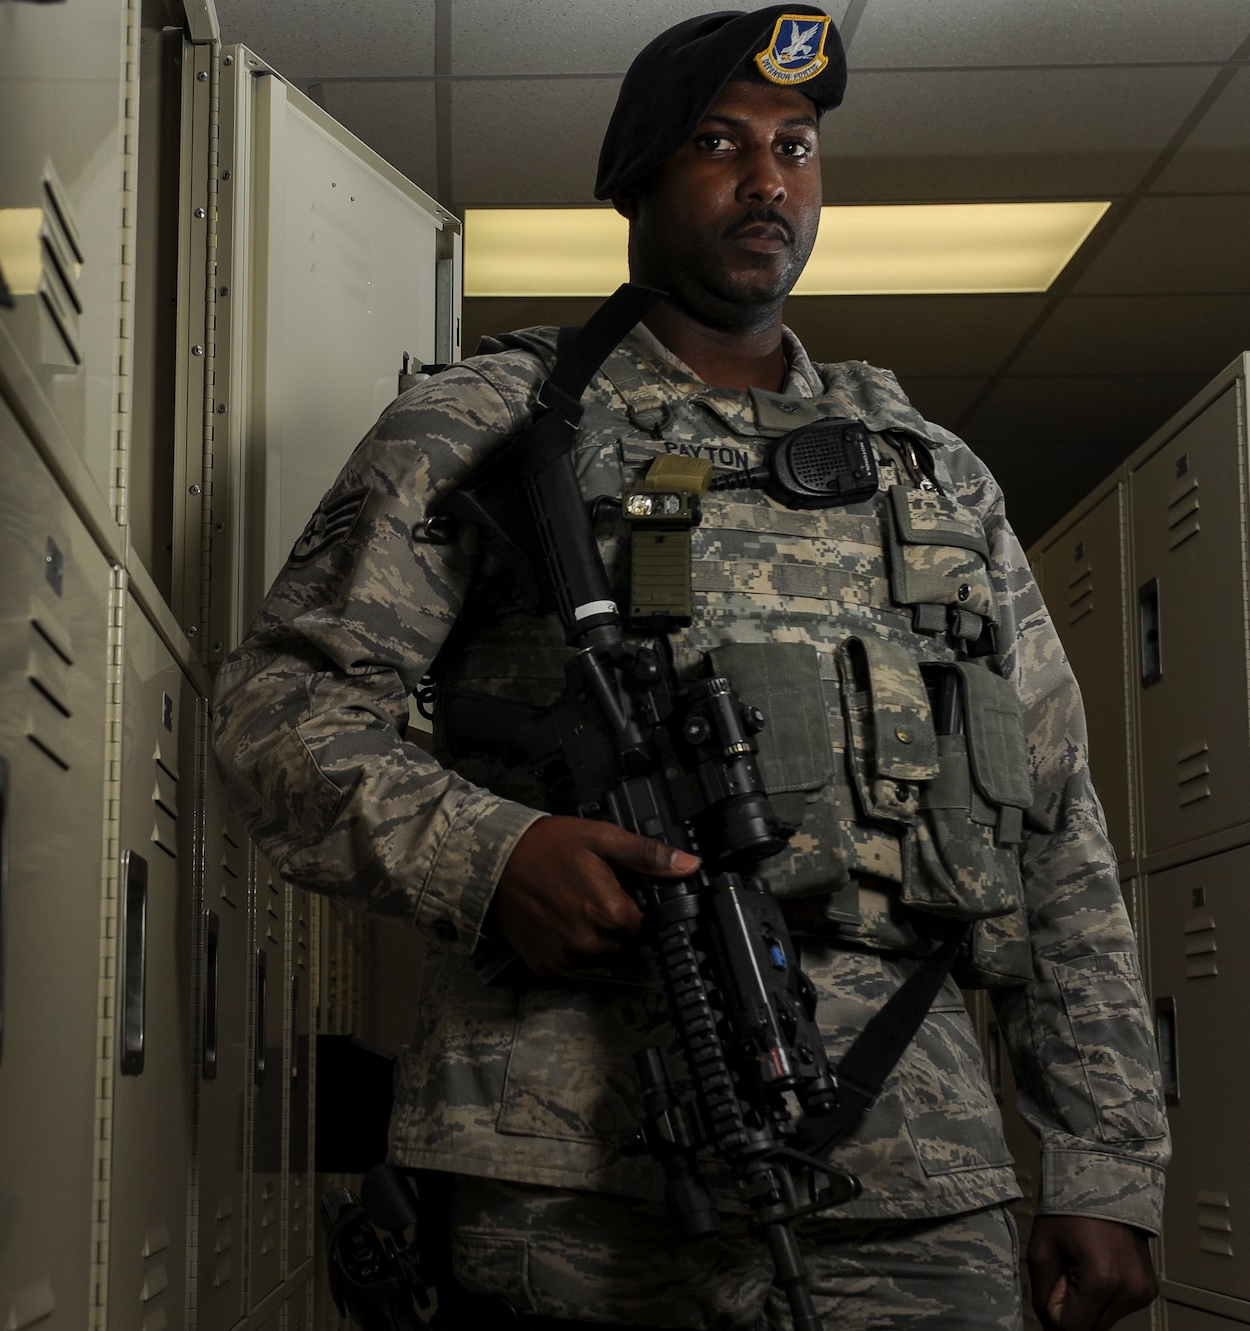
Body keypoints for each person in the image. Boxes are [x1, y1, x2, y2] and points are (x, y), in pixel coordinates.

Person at [213, 8, 1167, 1329]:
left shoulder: (937, 476)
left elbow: (1056, 824)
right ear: (641, 178)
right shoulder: (493, 422)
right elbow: (277, 711)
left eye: (798, 145)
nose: (770, 179)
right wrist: (495, 851)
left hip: (916, 1175)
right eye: (720, 143)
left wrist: (1106, 1163)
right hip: (564, 1165)